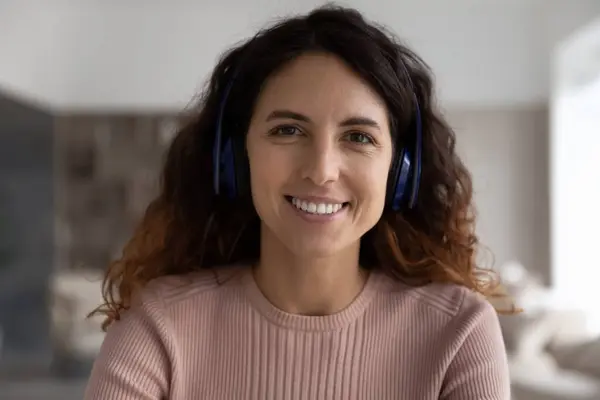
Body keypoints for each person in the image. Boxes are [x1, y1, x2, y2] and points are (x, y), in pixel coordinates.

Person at [85, 5, 513, 400]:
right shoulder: (159, 326)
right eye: (288, 130)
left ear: (400, 172)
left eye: (358, 137)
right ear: (235, 157)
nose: (321, 170)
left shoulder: (458, 332)